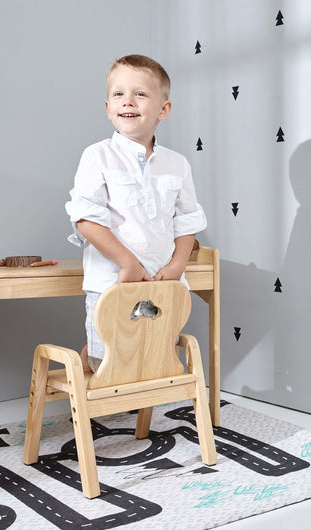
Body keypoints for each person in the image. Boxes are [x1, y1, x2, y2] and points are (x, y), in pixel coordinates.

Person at [65, 54, 207, 372]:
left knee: (151, 361)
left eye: (140, 94)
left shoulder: (177, 163)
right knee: (107, 362)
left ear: (163, 109)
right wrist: (127, 262)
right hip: (113, 282)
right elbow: (86, 218)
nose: (128, 101)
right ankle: (86, 377)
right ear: (108, 107)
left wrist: (177, 265)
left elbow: (186, 221)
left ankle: (140, 416)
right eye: (119, 94)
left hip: (162, 284)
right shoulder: (97, 156)